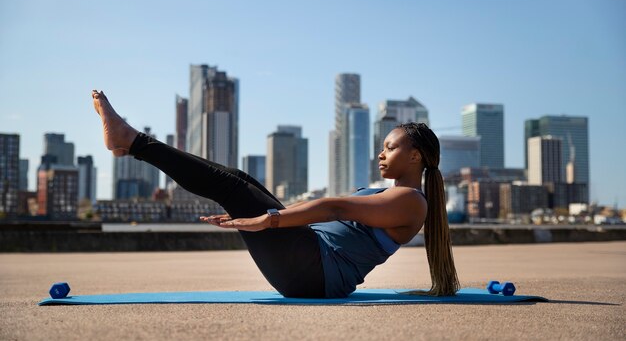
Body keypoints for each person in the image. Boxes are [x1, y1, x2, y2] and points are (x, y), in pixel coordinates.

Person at [92, 90, 459, 298]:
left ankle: (132, 142)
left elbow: (332, 207)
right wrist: (266, 220)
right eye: (382, 146)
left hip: (313, 273)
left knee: (232, 186)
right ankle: (130, 143)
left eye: (390, 148)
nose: (381, 154)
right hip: (308, 260)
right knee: (238, 179)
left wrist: (267, 220)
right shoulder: (396, 197)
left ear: (414, 157)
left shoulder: (411, 201)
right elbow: (331, 215)